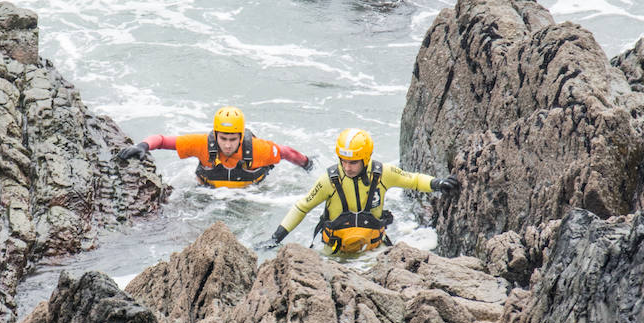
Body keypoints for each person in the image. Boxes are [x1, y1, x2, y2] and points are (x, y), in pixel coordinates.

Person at [261, 128, 459, 254]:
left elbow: (413, 180)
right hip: (335, 253)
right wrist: (275, 238)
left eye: (353, 162)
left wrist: (437, 183)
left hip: (373, 251)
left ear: (366, 158)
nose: (347, 167)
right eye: (343, 161)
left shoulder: (383, 173)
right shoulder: (329, 180)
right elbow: (302, 207)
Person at [117, 106, 313, 188]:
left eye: (233, 139)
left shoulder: (258, 149)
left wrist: (307, 164)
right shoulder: (201, 144)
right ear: (216, 135)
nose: (227, 145)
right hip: (207, 193)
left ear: (241, 136)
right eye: (223, 139)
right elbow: (161, 140)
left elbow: (287, 152)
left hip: (251, 193)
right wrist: (143, 145)